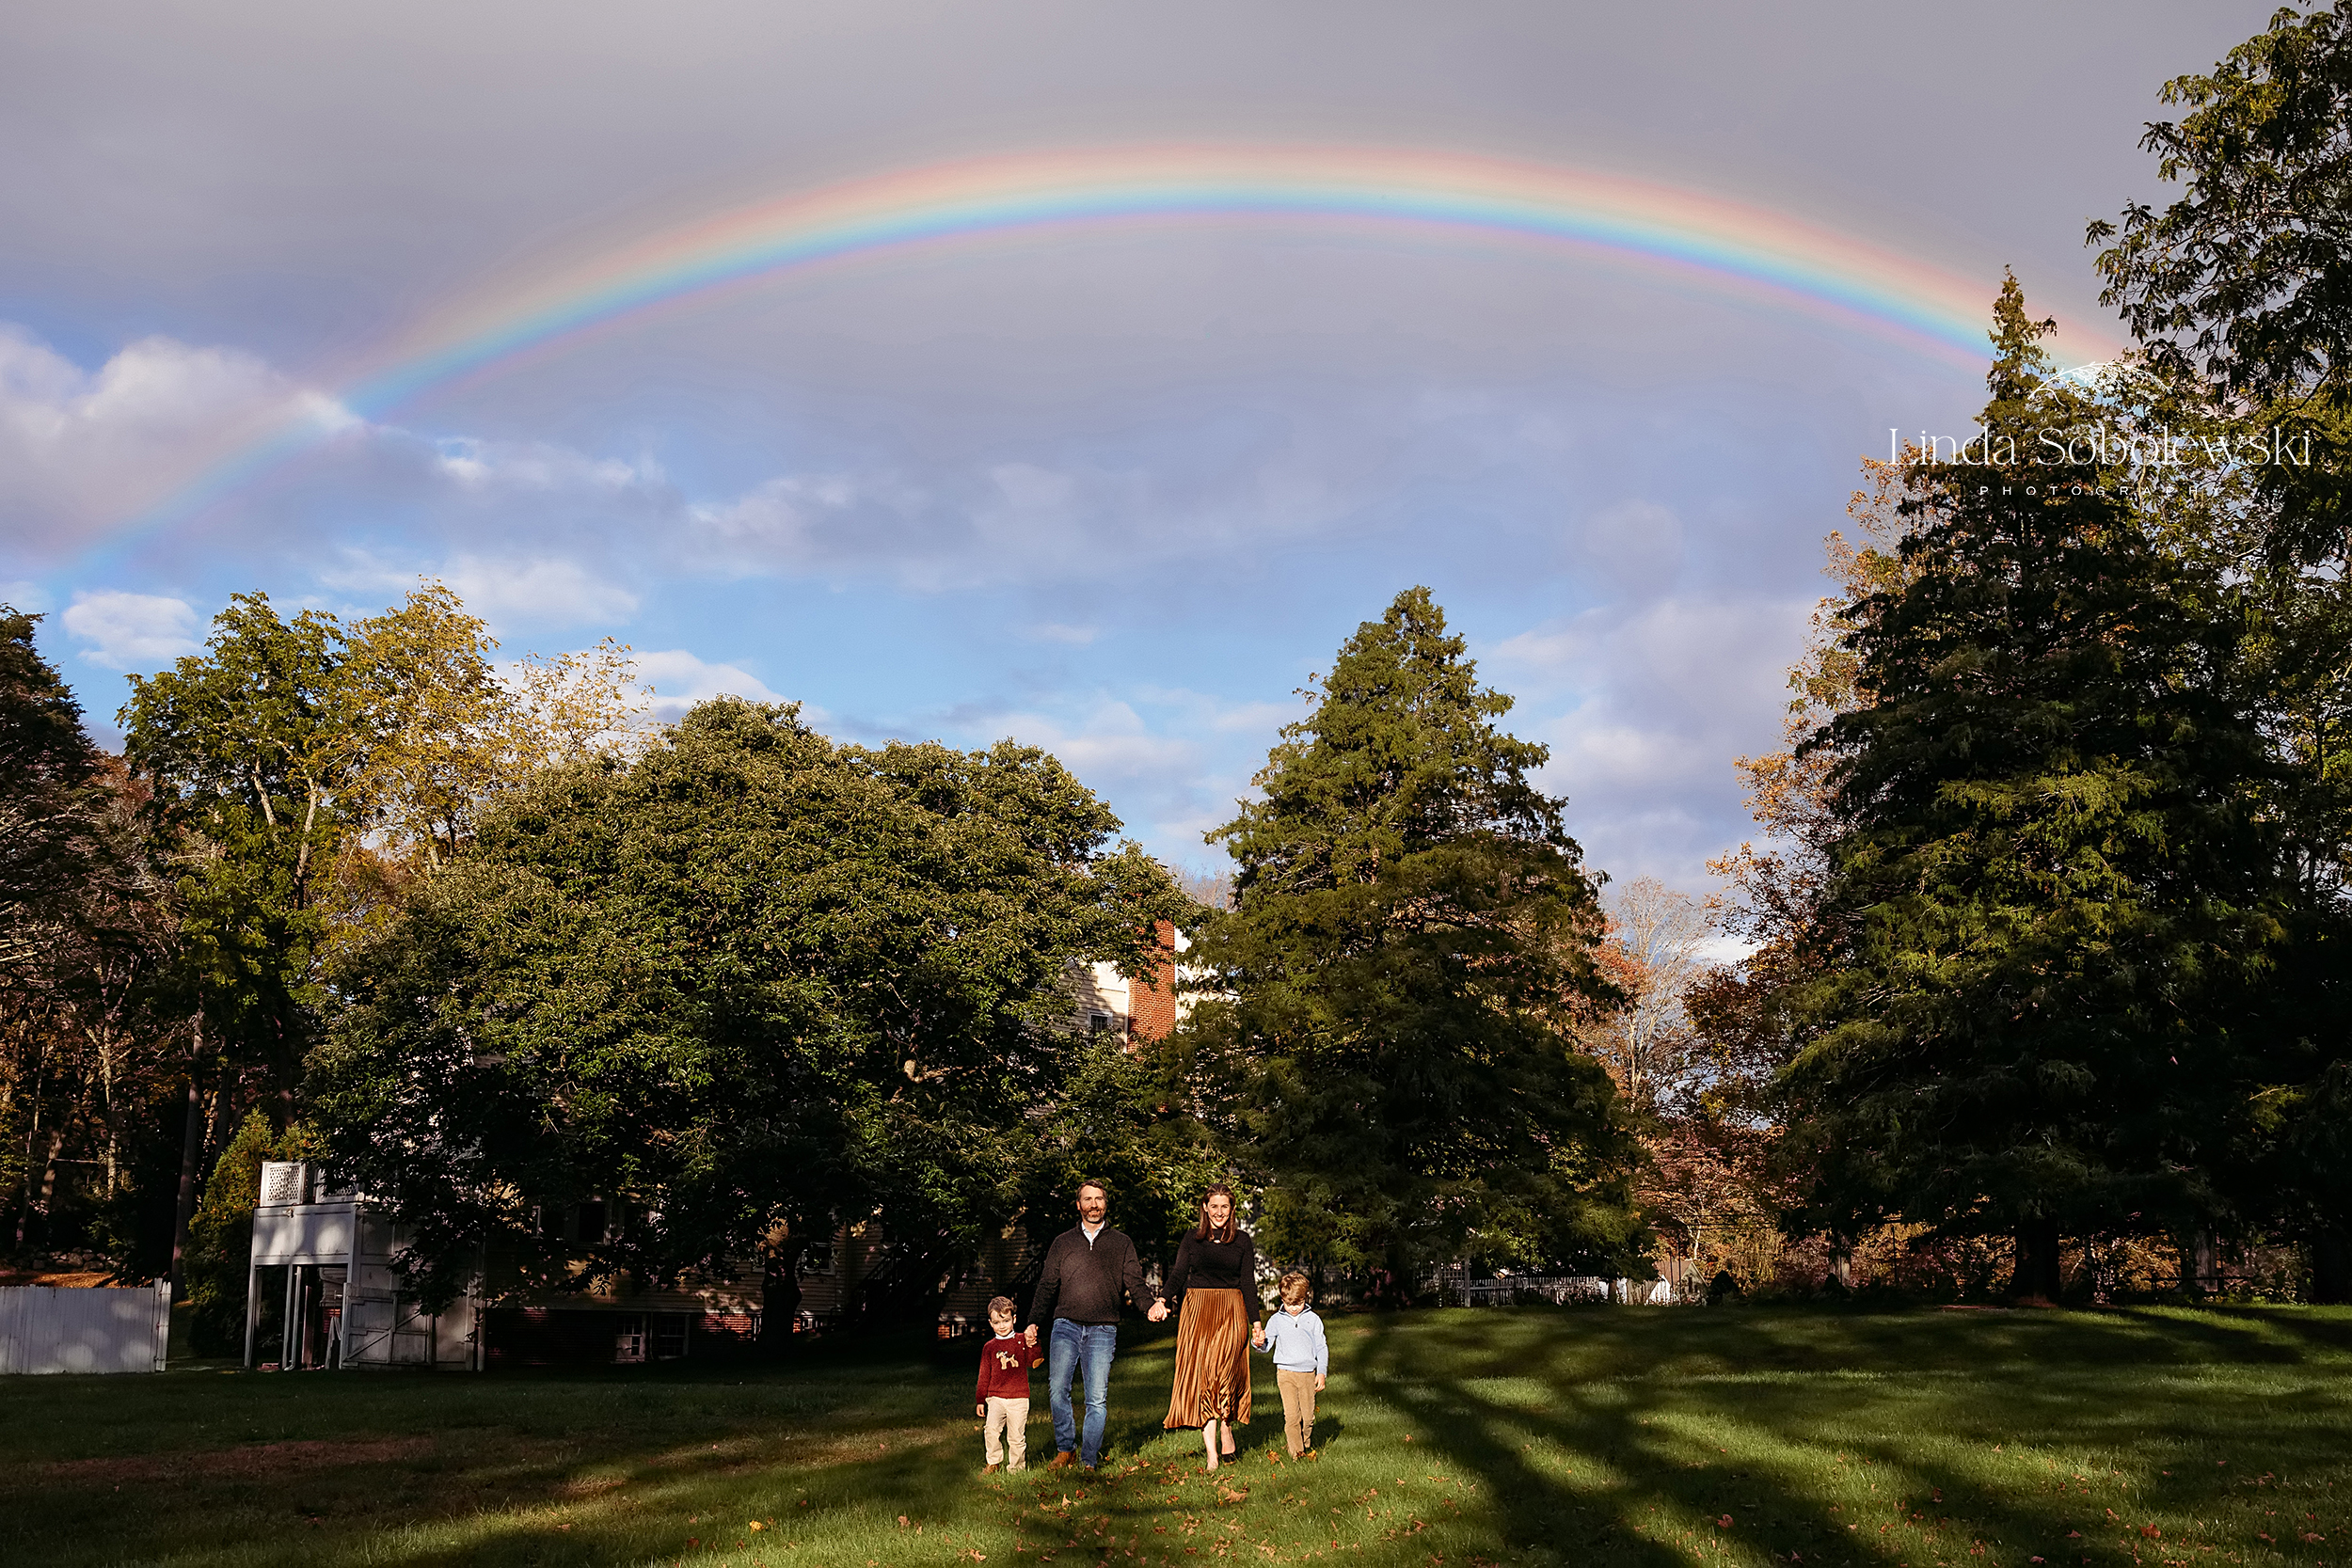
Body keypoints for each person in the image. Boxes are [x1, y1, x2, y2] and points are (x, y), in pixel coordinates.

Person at [1024, 1178, 1156, 1471]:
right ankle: (1066, 1449)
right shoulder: (1063, 1243)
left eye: (1099, 1199)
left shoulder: (1122, 1243)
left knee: (1096, 1398)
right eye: (1088, 1199)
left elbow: (1135, 1282)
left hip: (1103, 1329)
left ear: (1105, 1203)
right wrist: (1033, 1321)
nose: (1094, 1205)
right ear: (1078, 1204)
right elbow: (1046, 1285)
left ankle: (1088, 1459)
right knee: (1058, 1390)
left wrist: (1149, 1307)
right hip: (1065, 1326)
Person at [1160, 1182, 1257, 1471]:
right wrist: (1162, 1299)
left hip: (1231, 1309)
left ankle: (1226, 1425)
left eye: (1224, 1206)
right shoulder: (1192, 1239)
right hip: (1198, 1309)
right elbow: (1178, 1274)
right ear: (1204, 1208)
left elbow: (1248, 1283)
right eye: (1213, 1206)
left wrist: (1257, 1322)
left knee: (1225, 1372)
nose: (1219, 1212)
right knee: (1204, 1377)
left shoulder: (1242, 1240)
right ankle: (1212, 1453)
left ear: (1232, 1209)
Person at [1251, 1270, 1328, 1459]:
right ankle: (1297, 1452)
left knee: (1308, 1417)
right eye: (1289, 1304)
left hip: (1308, 1374)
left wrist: (1321, 1372)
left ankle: (1304, 1442)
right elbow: (1266, 1345)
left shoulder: (1313, 1320)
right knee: (1292, 1416)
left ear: (1305, 1298)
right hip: (1285, 1374)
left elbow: (1322, 1347)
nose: (1294, 1308)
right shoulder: (1276, 1320)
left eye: (1298, 1304)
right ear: (1282, 1300)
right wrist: (1258, 1343)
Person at [975, 1294, 1041, 1474]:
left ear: (1014, 1319)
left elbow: (1035, 1362)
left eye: (1005, 1321)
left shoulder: (1021, 1340)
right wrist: (981, 1399)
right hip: (995, 1398)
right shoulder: (989, 1347)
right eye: (997, 1322)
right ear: (990, 1323)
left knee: (1016, 1437)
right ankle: (993, 1463)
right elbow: (984, 1375)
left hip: (1019, 1398)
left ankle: (1016, 1470)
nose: (1001, 1326)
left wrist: (1033, 1345)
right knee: (991, 1431)